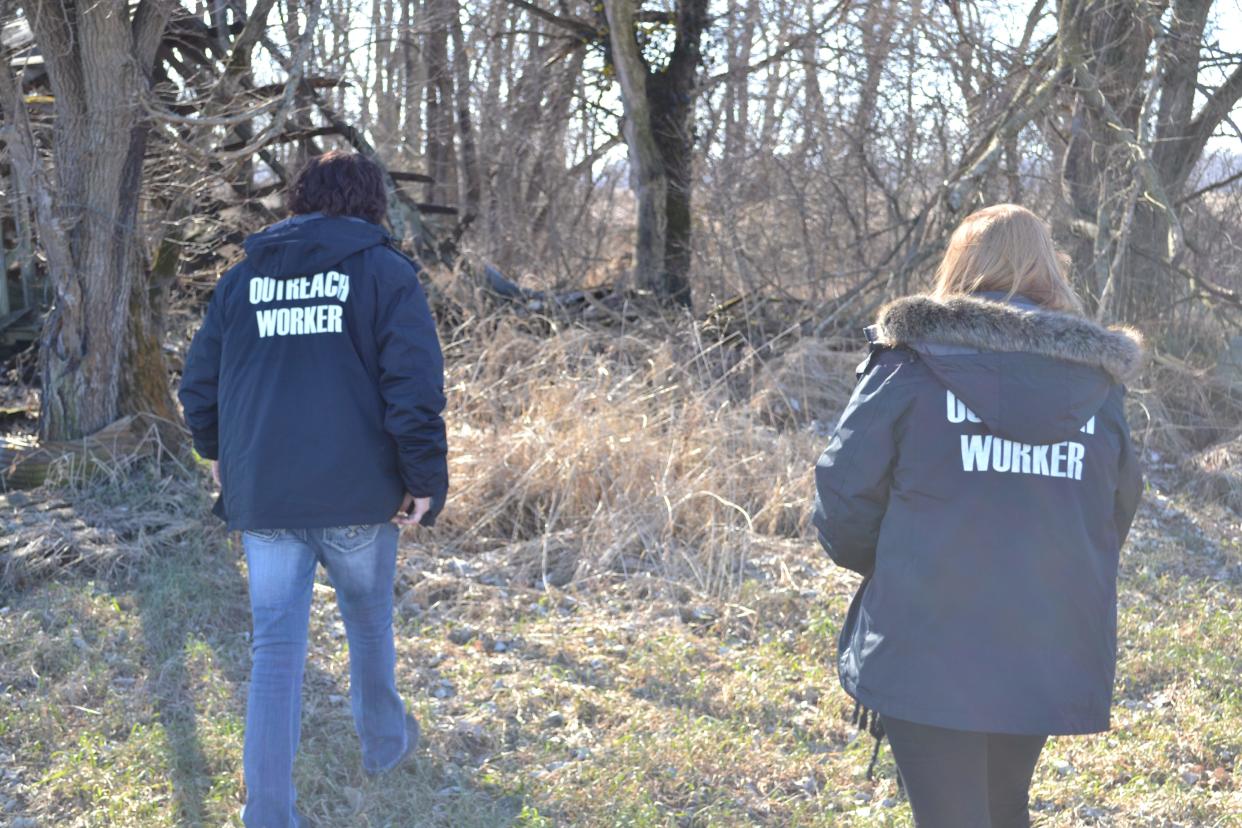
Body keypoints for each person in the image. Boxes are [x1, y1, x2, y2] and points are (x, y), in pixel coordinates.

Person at [812, 204, 1144, 828]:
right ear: (1049, 269)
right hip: (1045, 636)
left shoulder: (910, 363)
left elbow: (843, 493)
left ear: (958, 266)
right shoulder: (1096, 383)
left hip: (927, 636)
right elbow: (1115, 510)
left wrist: (900, 564)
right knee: (1001, 806)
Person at [179, 150, 448, 828]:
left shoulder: (242, 281)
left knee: (274, 652)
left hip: (266, 494)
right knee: (368, 622)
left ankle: (267, 815)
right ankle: (385, 746)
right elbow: (413, 392)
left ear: (299, 200)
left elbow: (198, 386)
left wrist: (217, 453)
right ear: (371, 203)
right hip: (360, 497)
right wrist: (424, 480)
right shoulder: (387, 274)